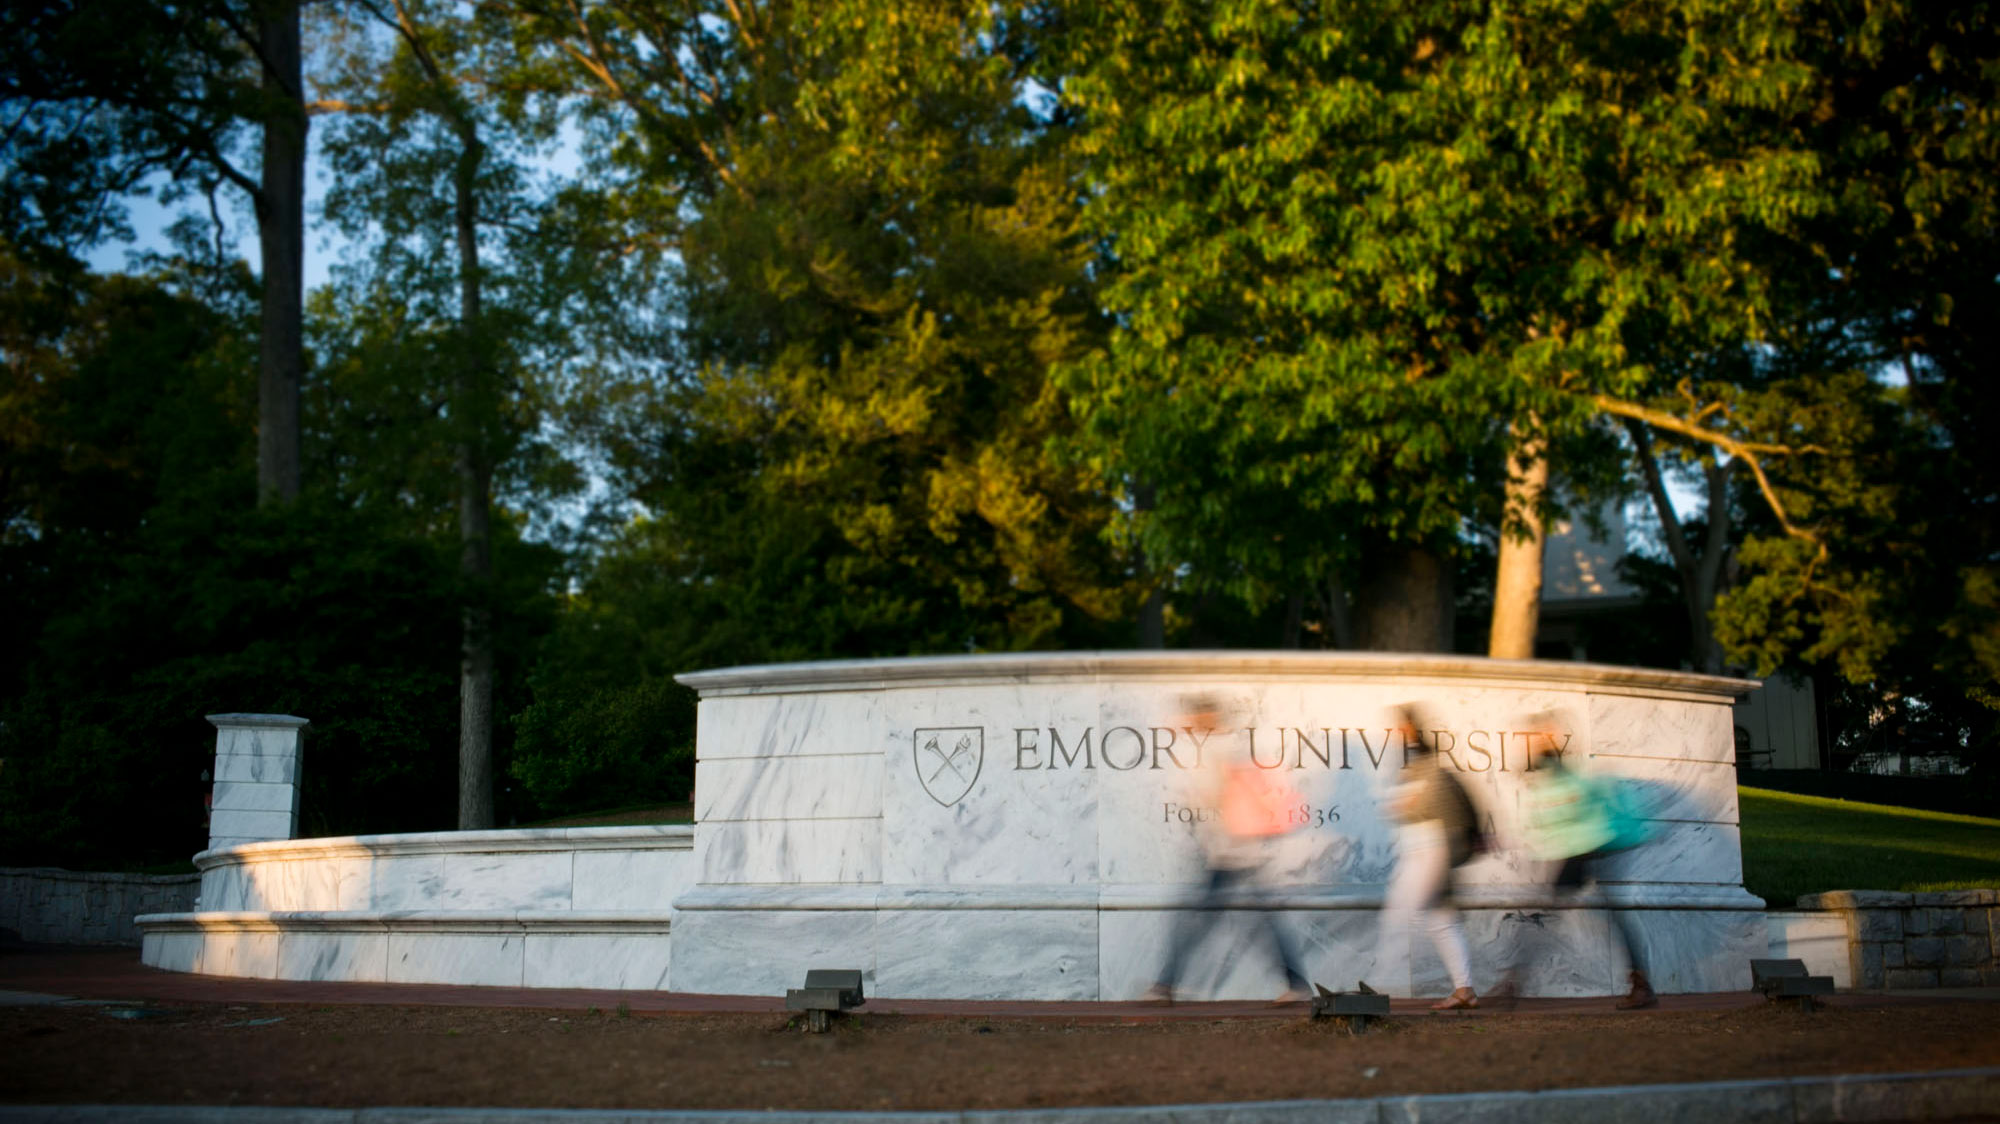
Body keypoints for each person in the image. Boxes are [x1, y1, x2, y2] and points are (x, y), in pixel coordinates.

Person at [1145, 694, 1314, 1006]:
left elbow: (1213, 796)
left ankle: (1164, 985)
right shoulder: (1225, 747)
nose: (1191, 721)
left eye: (1197, 716)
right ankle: (1297, 984)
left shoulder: (1221, 749)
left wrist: (1192, 796)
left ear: (1208, 717)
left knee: (1196, 921)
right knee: (1257, 922)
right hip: (1232, 853)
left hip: (1233, 854)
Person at [1510, 713, 1657, 1010]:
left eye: (1542, 735)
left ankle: (1514, 980)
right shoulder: (1546, 773)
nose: (1536, 740)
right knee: (1595, 912)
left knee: (1550, 911)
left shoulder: (1563, 774)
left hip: (1589, 847)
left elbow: (1571, 805)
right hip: (1583, 848)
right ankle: (1641, 983)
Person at [1370, 702, 1482, 1010]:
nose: (1393, 733)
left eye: (1400, 727)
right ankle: (1465, 989)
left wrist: (1404, 803)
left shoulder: (1425, 762)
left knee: (1399, 911)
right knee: (1439, 920)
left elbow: (1415, 804)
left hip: (1430, 845)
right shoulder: (1412, 764)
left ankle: (1375, 989)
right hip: (1420, 846)